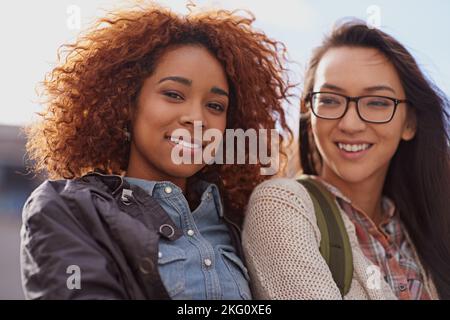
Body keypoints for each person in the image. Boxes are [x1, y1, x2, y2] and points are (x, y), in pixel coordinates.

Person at [21, 4, 292, 299]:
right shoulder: (71, 208)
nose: (197, 119)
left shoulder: (241, 222)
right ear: (126, 102)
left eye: (215, 106)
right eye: (174, 94)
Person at [243, 20, 450, 300]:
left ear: (409, 123)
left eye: (377, 102)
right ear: (308, 113)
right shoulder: (281, 205)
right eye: (330, 100)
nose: (350, 124)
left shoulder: (427, 227)